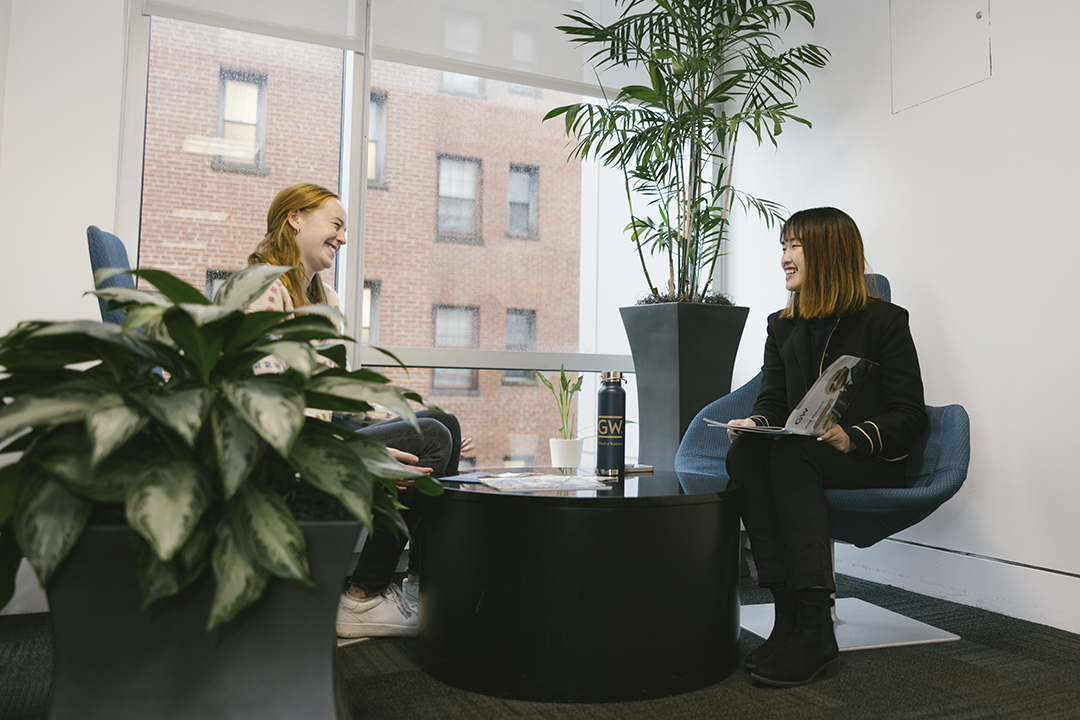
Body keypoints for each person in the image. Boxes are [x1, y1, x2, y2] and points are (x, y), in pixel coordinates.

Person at [246, 182, 473, 638]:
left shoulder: (319, 296)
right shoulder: (264, 289)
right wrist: (359, 452)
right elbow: (269, 404)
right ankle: (364, 597)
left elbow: (330, 396)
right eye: (336, 224)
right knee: (433, 438)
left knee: (438, 422)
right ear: (295, 219)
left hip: (320, 431)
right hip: (288, 454)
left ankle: (415, 581)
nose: (343, 238)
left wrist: (390, 416)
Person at [725, 207, 928, 687]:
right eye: (783, 246)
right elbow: (774, 401)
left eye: (794, 246)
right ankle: (787, 617)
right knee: (747, 452)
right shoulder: (782, 325)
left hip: (866, 460)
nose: (784, 258)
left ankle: (816, 629)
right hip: (804, 456)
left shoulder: (885, 322)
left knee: (793, 455)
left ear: (828, 253)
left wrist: (854, 436)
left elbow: (910, 414)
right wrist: (755, 422)